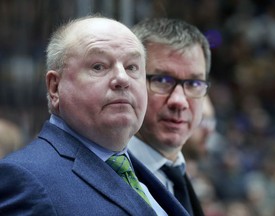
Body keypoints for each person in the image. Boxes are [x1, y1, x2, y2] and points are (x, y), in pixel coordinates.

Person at [0, 16, 189, 216]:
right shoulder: (24, 179)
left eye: (132, 67)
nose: (122, 79)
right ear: (55, 87)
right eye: (98, 66)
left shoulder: (147, 172)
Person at [128, 18, 211, 216]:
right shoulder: (100, 176)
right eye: (162, 80)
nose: (179, 101)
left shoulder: (179, 173)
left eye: (194, 83)